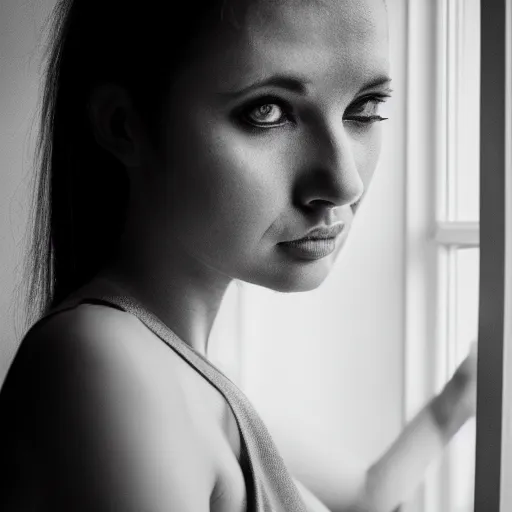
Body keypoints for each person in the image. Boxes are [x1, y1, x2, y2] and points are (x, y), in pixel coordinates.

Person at [0, 0, 477, 511]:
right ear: (123, 125)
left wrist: (459, 399)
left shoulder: (180, 371)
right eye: (267, 111)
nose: (344, 182)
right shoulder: (104, 362)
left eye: (364, 109)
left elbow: (364, 499)